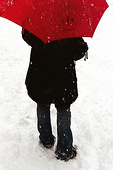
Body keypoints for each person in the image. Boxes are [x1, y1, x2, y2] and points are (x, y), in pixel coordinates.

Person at [22, 28, 88, 161]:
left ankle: (46, 138)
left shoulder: (36, 19)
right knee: (63, 109)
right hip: (63, 77)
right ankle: (64, 149)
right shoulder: (68, 22)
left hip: (41, 74)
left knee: (42, 103)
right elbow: (78, 51)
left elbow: (28, 38)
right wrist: (82, 46)